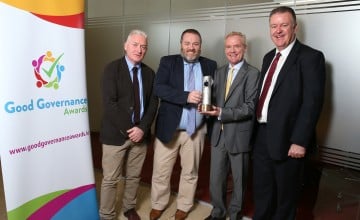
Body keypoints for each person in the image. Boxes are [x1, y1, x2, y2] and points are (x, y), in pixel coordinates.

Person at [252, 6, 326, 220]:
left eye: (284, 25)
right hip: (262, 137)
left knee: (286, 199)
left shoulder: (310, 57)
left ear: (295, 27)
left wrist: (300, 141)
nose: (278, 30)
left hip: (289, 140)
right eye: (274, 26)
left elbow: (312, 103)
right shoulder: (268, 57)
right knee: (262, 193)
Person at [149, 28, 217, 220]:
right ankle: (158, 204)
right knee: (161, 171)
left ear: (200, 46)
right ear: (181, 44)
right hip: (169, 127)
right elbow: (159, 88)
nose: (191, 48)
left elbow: (214, 92)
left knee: (190, 171)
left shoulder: (210, 65)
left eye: (195, 44)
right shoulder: (168, 62)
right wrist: (186, 96)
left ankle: (184, 206)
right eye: (187, 43)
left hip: (196, 131)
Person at [99, 29, 159, 220]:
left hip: (140, 135)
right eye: (135, 45)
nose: (139, 50)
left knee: (134, 177)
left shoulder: (149, 73)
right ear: (125, 46)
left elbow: (153, 103)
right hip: (115, 135)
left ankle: (129, 207)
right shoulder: (111, 69)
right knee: (110, 179)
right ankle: (106, 214)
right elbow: (110, 104)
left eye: (143, 47)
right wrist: (130, 129)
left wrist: (142, 129)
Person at [200, 32, 260, 220]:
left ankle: (234, 214)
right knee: (215, 179)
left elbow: (249, 107)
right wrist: (202, 103)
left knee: (239, 180)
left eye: (237, 46)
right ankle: (217, 212)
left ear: (244, 48)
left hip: (239, 135)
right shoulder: (219, 71)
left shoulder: (253, 73)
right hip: (219, 134)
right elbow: (215, 99)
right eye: (228, 47)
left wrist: (220, 113)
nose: (232, 50)